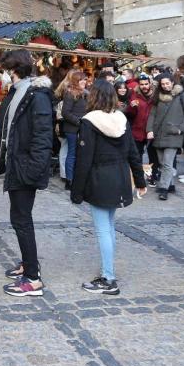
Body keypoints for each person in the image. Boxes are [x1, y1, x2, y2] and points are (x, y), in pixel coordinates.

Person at [70, 82, 147, 296]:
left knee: (104, 229)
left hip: (100, 179)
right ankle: (108, 272)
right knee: (109, 227)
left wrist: (76, 190)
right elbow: (133, 153)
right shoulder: (121, 119)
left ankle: (109, 277)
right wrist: (140, 181)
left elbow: (84, 160)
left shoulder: (89, 122)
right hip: (120, 176)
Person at [0, 50, 54, 297]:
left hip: (25, 167)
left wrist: (32, 169)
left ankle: (33, 279)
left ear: (12, 70)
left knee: (21, 220)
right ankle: (28, 264)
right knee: (19, 218)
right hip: (16, 164)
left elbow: (43, 137)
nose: (3, 74)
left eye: (4, 70)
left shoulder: (36, 96)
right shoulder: (17, 92)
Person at [146, 74, 184, 201]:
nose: (165, 86)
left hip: (173, 134)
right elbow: (152, 115)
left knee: (167, 162)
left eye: (167, 83)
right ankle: (170, 185)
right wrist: (149, 130)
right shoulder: (158, 97)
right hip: (158, 134)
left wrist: (180, 129)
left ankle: (164, 188)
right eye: (163, 84)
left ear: (173, 82)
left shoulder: (183, 96)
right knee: (162, 163)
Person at [125, 74, 159, 185]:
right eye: (142, 84)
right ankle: (137, 179)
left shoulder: (156, 95)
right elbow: (130, 114)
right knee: (136, 156)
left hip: (151, 131)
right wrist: (131, 106)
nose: (144, 86)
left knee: (153, 156)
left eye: (146, 84)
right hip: (138, 131)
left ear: (150, 83)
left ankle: (152, 177)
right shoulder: (135, 95)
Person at [59, 70, 89, 189]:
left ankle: (77, 179)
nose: (83, 82)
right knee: (72, 154)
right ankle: (69, 180)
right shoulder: (70, 93)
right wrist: (78, 121)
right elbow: (65, 113)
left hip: (83, 128)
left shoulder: (86, 93)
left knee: (80, 154)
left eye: (84, 79)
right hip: (72, 129)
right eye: (81, 80)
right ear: (75, 81)